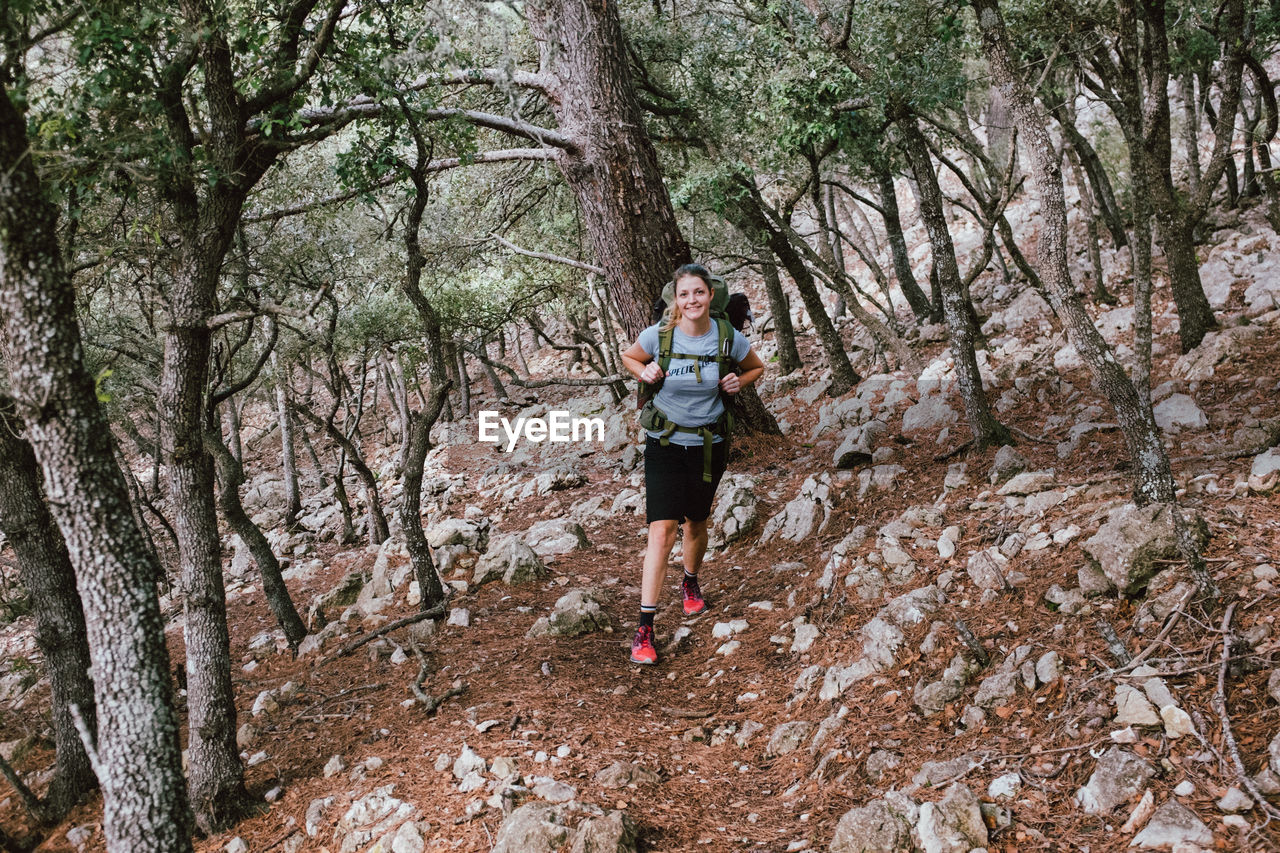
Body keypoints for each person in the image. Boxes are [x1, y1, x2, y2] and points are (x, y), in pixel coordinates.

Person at [619, 264, 765, 665]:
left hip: (709, 445)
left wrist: (740, 381)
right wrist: (644, 369)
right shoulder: (659, 336)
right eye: (684, 294)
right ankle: (645, 628)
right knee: (662, 530)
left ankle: (690, 583)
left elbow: (755, 366)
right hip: (664, 442)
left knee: (696, 524)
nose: (692, 301)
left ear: (710, 296)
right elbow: (629, 356)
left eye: (698, 293)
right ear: (676, 300)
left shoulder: (727, 338)